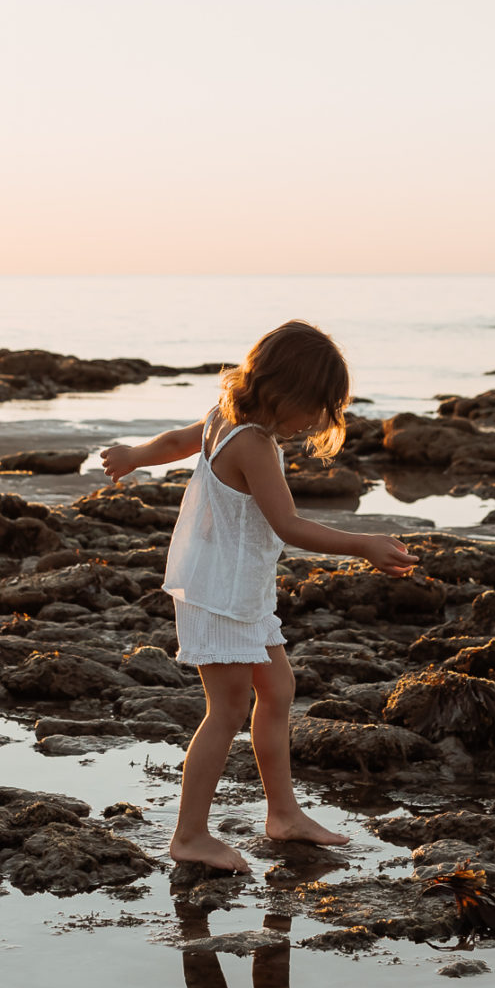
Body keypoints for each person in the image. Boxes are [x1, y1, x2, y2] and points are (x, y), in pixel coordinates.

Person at [103, 320, 413, 874]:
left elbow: (176, 441)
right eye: (317, 408)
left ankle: (284, 813)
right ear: (287, 392)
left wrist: (133, 454)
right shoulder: (254, 443)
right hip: (219, 594)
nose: (318, 422)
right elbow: (288, 524)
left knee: (278, 689)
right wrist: (362, 543)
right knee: (225, 711)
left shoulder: (226, 415)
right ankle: (191, 835)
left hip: (233, 587)